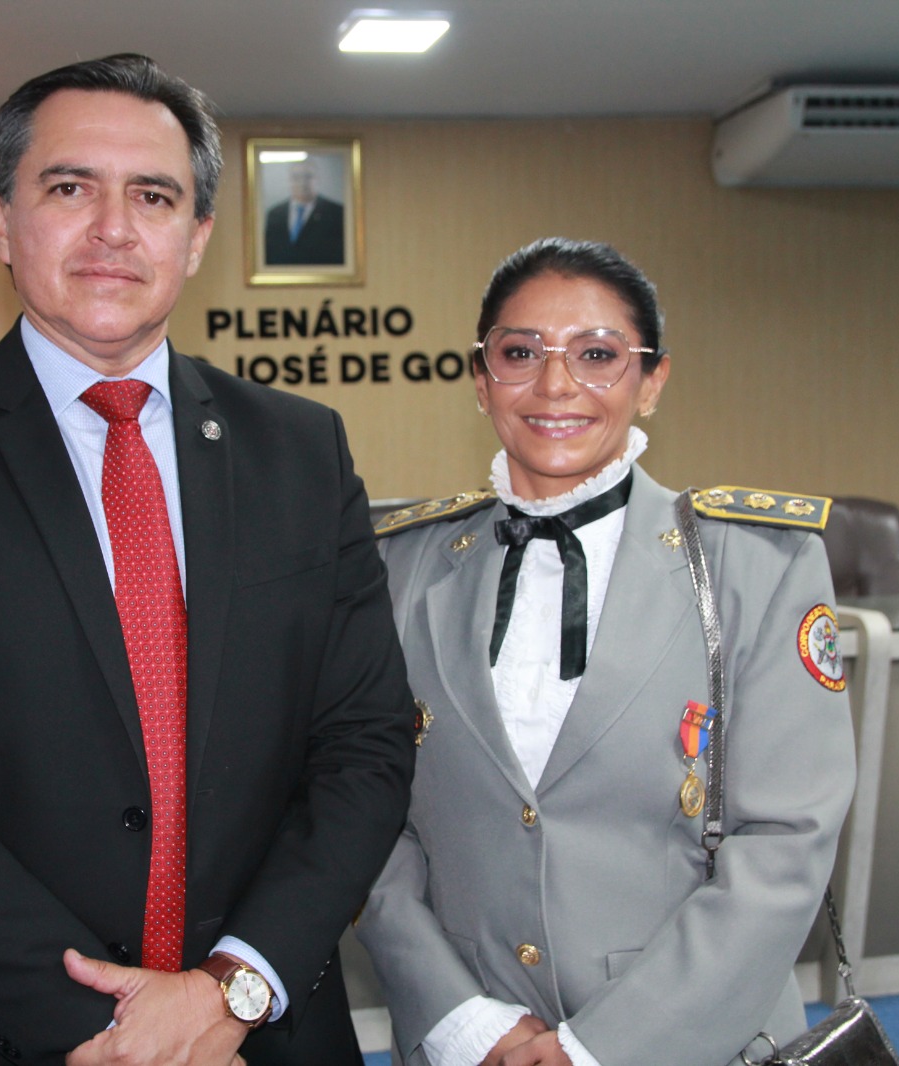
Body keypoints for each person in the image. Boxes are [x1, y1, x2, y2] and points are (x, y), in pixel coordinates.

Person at [0, 53, 414, 1066]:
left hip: (256, 1031)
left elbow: (365, 746)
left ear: (196, 236)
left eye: (153, 196)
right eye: (71, 188)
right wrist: (115, 1029)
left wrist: (232, 987)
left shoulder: (302, 449)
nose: (114, 228)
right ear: (1, 219)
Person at [356, 238, 856, 1066]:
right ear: (481, 379)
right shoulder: (398, 568)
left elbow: (786, 841)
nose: (556, 386)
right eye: (520, 353)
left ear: (651, 381)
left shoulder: (759, 565)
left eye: (597, 355)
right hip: (477, 1040)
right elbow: (362, 809)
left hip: (696, 1040)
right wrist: (464, 1020)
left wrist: (599, 1048)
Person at [262, 158, 345, 266]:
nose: (302, 183)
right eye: (296, 177)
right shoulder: (275, 214)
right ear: (289, 180)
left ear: (317, 179)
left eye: (308, 177)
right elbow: (269, 253)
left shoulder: (336, 213)